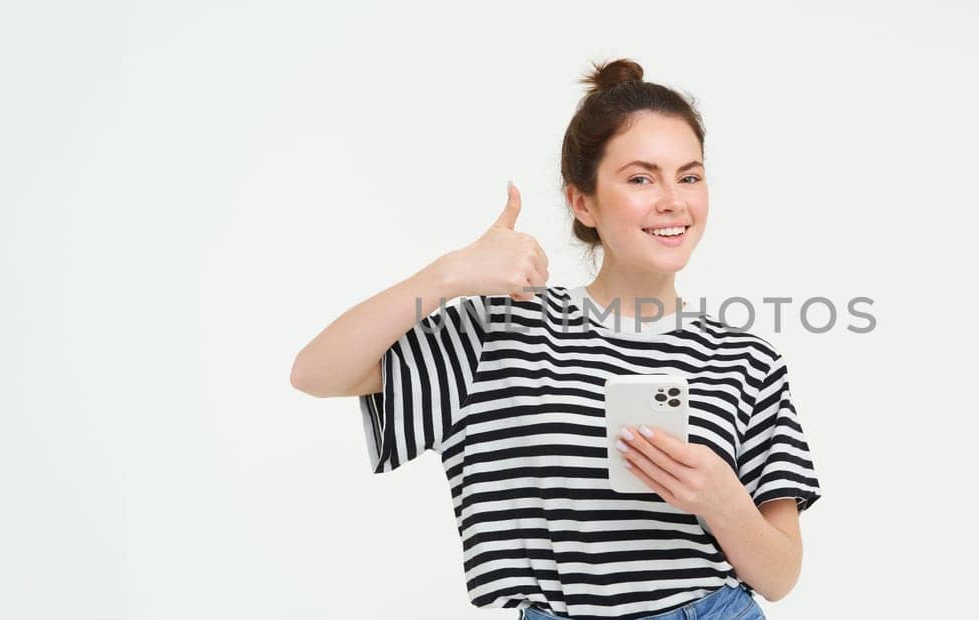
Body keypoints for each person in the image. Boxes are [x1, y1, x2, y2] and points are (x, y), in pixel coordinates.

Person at [291, 58, 822, 620]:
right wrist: (449, 275)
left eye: (688, 176)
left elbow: (781, 574)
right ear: (582, 202)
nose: (673, 200)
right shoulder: (505, 329)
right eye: (641, 178)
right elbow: (316, 372)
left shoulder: (746, 361)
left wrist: (721, 500)